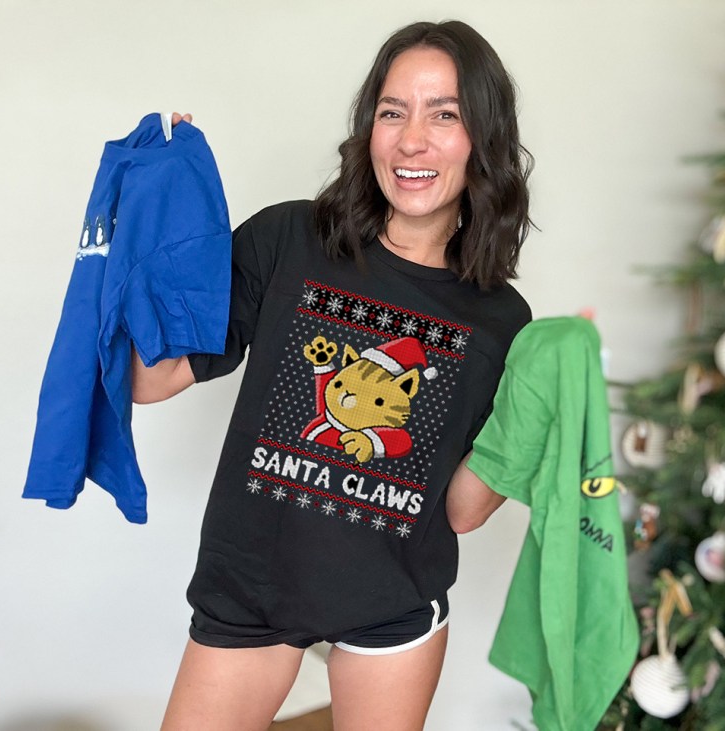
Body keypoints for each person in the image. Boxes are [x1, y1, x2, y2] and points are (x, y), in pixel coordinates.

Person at [134, 20, 533, 730]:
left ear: (484, 141)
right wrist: (166, 224)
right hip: (251, 582)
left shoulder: (501, 318)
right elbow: (149, 378)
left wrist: (542, 398)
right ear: (368, 130)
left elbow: (465, 510)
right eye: (392, 111)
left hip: (394, 601)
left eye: (445, 114)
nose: (412, 139)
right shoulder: (290, 239)